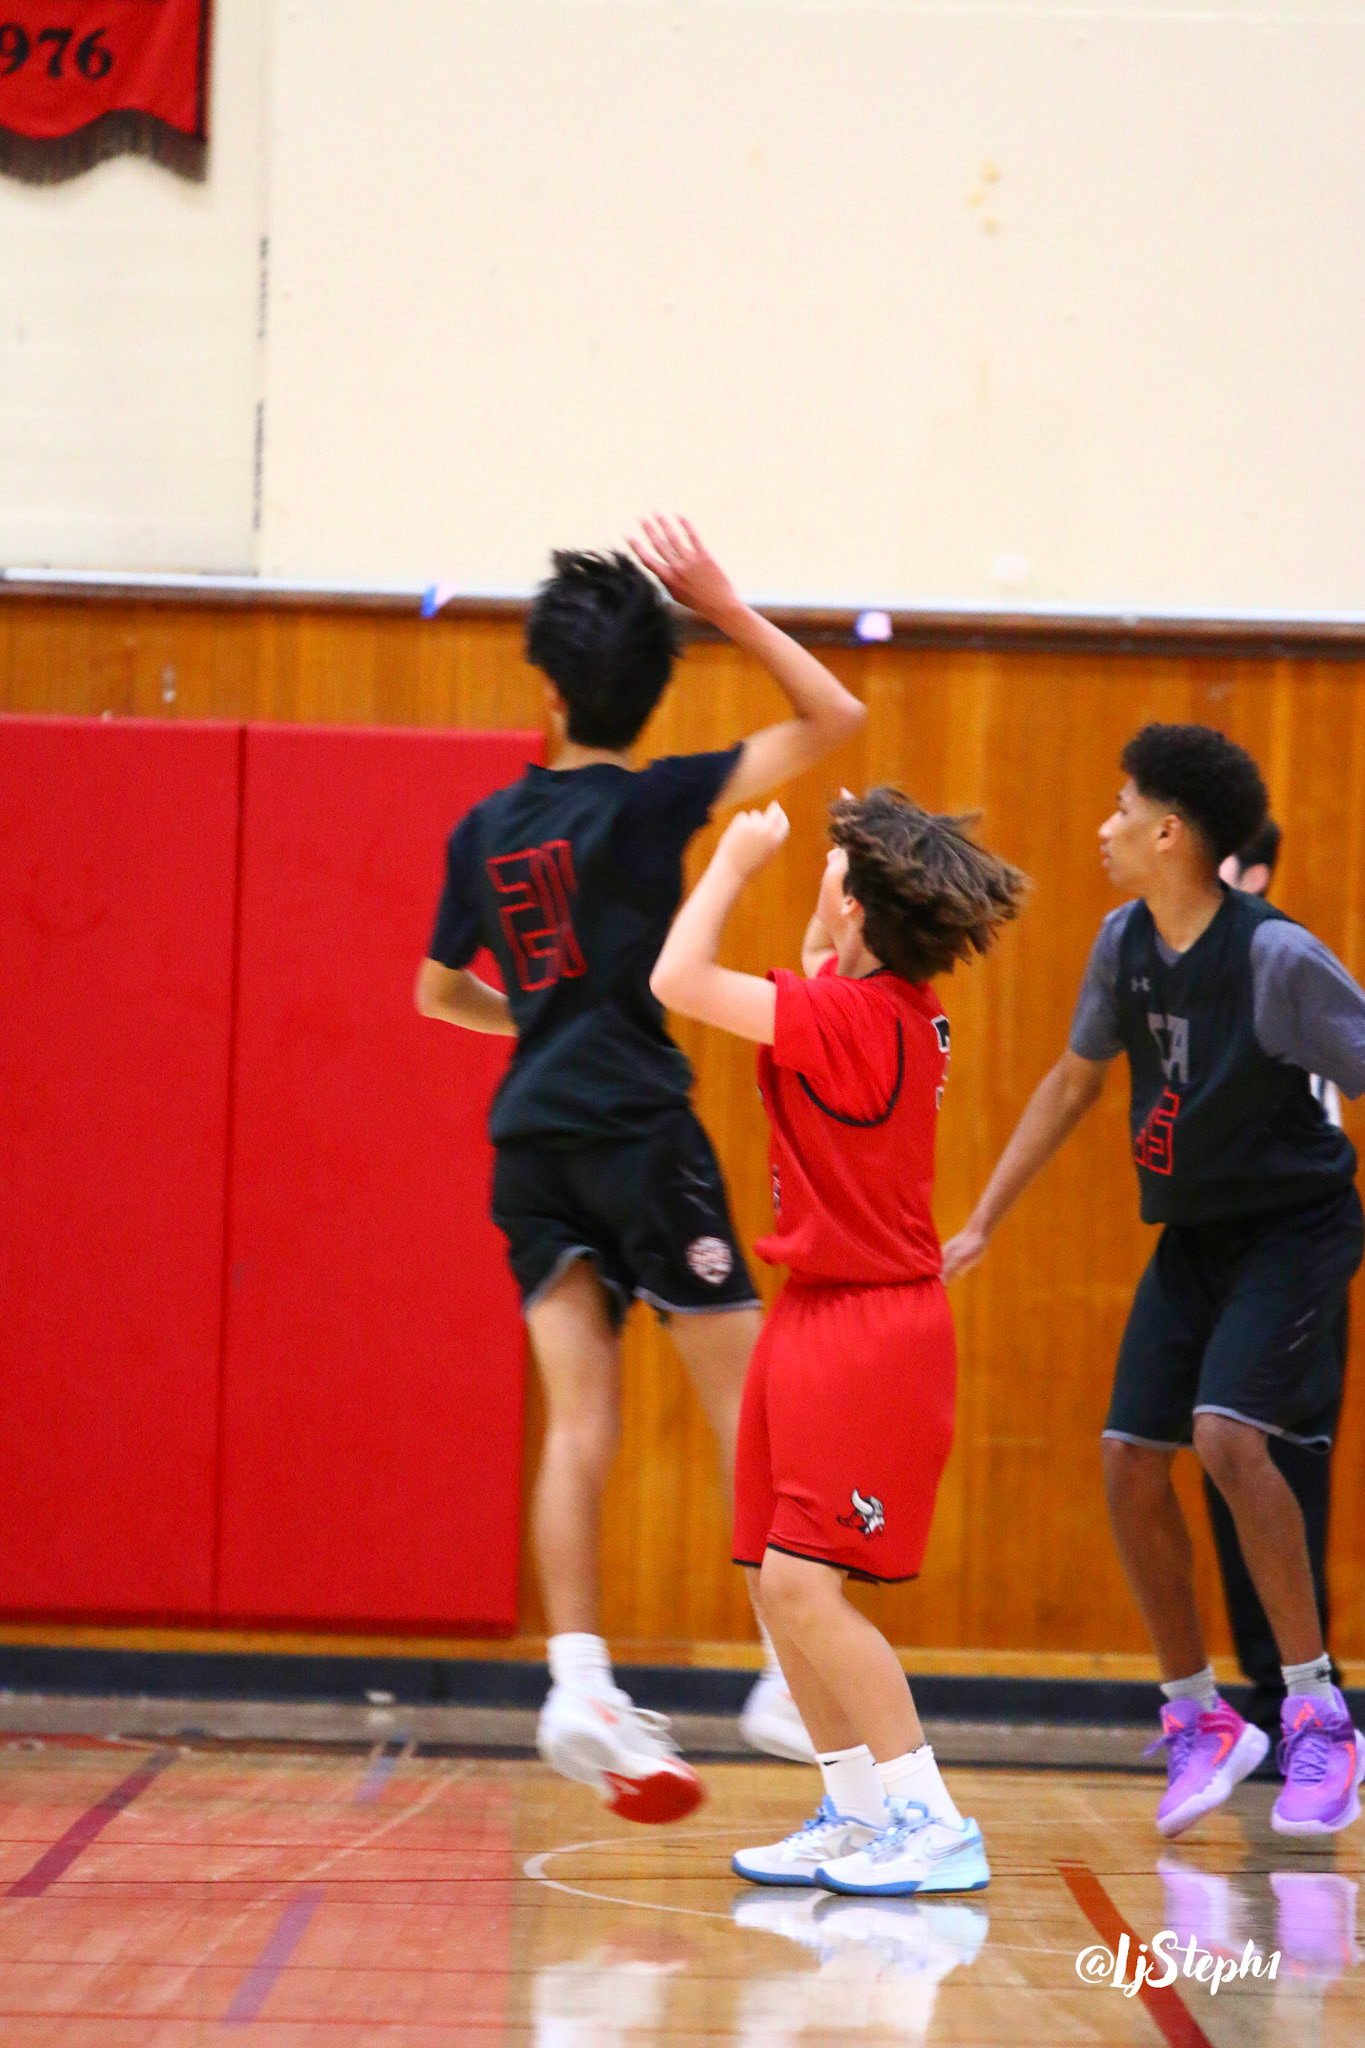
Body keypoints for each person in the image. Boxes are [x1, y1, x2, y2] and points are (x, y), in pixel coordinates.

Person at [416, 517, 865, 1821]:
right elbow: (834, 714)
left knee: (580, 1427)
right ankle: (785, 1674)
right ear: (648, 693)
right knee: (753, 1410)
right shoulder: (656, 797)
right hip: (639, 1134)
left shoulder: (483, 827)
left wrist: (537, 1025)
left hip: (530, 1142)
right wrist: (725, 603)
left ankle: (579, 1684)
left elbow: (436, 990)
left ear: (547, 692)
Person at [944, 725, 1365, 1840]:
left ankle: (1319, 1715)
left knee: (1226, 1437)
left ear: (1171, 831)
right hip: (1194, 1238)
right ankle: (1199, 1717)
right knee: (1129, 1458)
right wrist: (982, 1219)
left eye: (1122, 807)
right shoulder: (1121, 941)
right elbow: (1072, 1081)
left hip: (1294, 1232)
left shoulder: (1275, 958)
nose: (1106, 825)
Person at [651, 786, 1027, 1895]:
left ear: (859, 905)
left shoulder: (852, 1020)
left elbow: (678, 980)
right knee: (777, 1583)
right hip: (814, 1309)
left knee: (808, 1589)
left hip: (870, 1329)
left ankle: (930, 1817)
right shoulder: (872, 1000)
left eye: (837, 866)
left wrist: (733, 863)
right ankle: (858, 1811)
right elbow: (823, 950)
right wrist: (866, 850)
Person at [1210, 818, 1348, 1738]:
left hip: (1296, 1251)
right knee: (1215, 1454)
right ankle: (1271, 1690)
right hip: (1219, 1249)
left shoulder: (1283, 964)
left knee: (1282, 1460)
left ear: (1250, 873)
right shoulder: (1176, 963)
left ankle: (1305, 1694)